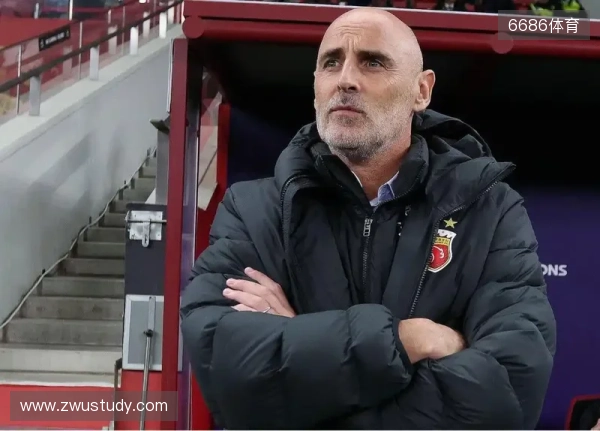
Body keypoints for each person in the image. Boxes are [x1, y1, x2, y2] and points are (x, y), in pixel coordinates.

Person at [180, 7, 557, 429]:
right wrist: (406, 340)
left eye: (373, 62)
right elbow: (229, 374)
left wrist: (305, 348)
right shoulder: (254, 210)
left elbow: (506, 393)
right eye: (331, 62)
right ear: (316, 88)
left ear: (421, 91)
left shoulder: (489, 210)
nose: (345, 79)